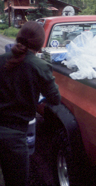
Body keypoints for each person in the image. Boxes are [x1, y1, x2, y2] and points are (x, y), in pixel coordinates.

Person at [0, 21, 61, 186]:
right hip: (14, 137)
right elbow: (55, 98)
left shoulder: (2, 59)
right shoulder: (40, 66)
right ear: (40, 44)